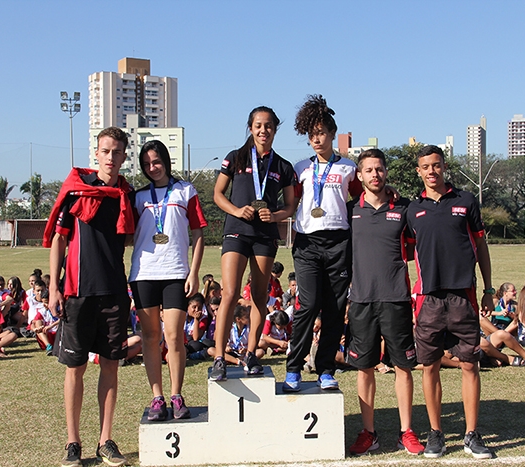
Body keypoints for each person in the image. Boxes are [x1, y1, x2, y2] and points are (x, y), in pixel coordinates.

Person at [44, 126, 134, 467]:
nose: (111, 157)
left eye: (117, 152)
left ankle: (106, 440)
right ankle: (73, 442)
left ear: (125, 156)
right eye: (105, 151)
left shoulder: (126, 194)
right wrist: (54, 286)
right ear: (95, 153)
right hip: (78, 293)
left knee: (110, 367)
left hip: (113, 292)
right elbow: (58, 239)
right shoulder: (77, 192)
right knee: (75, 369)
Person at [406, 144, 494, 459]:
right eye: (425, 166)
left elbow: (481, 246)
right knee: (429, 366)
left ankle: (472, 434)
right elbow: (403, 253)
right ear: (419, 171)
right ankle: (436, 434)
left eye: (436, 165)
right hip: (428, 299)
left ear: (444, 167)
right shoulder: (411, 210)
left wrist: (488, 288)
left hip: (463, 295)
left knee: (470, 364)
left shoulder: (466, 201)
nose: (432, 171)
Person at [344, 149, 424, 456]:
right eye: (369, 170)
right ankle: (369, 432)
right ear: (360, 176)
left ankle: (407, 431)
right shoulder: (351, 210)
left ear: (385, 173)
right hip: (362, 300)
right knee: (364, 368)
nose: (375, 174)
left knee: (403, 367)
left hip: (396, 298)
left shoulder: (404, 208)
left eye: (379, 169)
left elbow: (421, 248)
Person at [284, 95, 365, 392]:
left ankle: (326, 369)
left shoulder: (347, 166)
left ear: (332, 134)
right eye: (311, 134)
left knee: (334, 307)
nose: (316, 139)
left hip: (338, 241)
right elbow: (291, 202)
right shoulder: (300, 167)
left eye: (321, 133)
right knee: (307, 305)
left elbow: (361, 199)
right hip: (306, 243)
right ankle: (293, 367)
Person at [209, 106, 296, 381]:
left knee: (260, 296)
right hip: (236, 230)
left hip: (264, 235)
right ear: (250, 128)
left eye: (269, 125)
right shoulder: (235, 158)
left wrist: (276, 214)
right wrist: (236, 210)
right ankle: (221, 357)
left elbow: (291, 205)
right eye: (258, 125)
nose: (263, 130)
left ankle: (250, 355)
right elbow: (218, 194)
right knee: (231, 292)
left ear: (275, 129)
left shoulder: (282, 166)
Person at [128, 139, 207, 421]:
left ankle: (176, 395)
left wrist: (194, 272)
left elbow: (198, 234)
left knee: (174, 336)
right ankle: (157, 398)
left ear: (166, 161)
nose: (153, 168)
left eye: (157, 162)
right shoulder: (138, 197)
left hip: (176, 273)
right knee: (150, 337)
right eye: (147, 164)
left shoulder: (185, 191)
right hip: (144, 274)